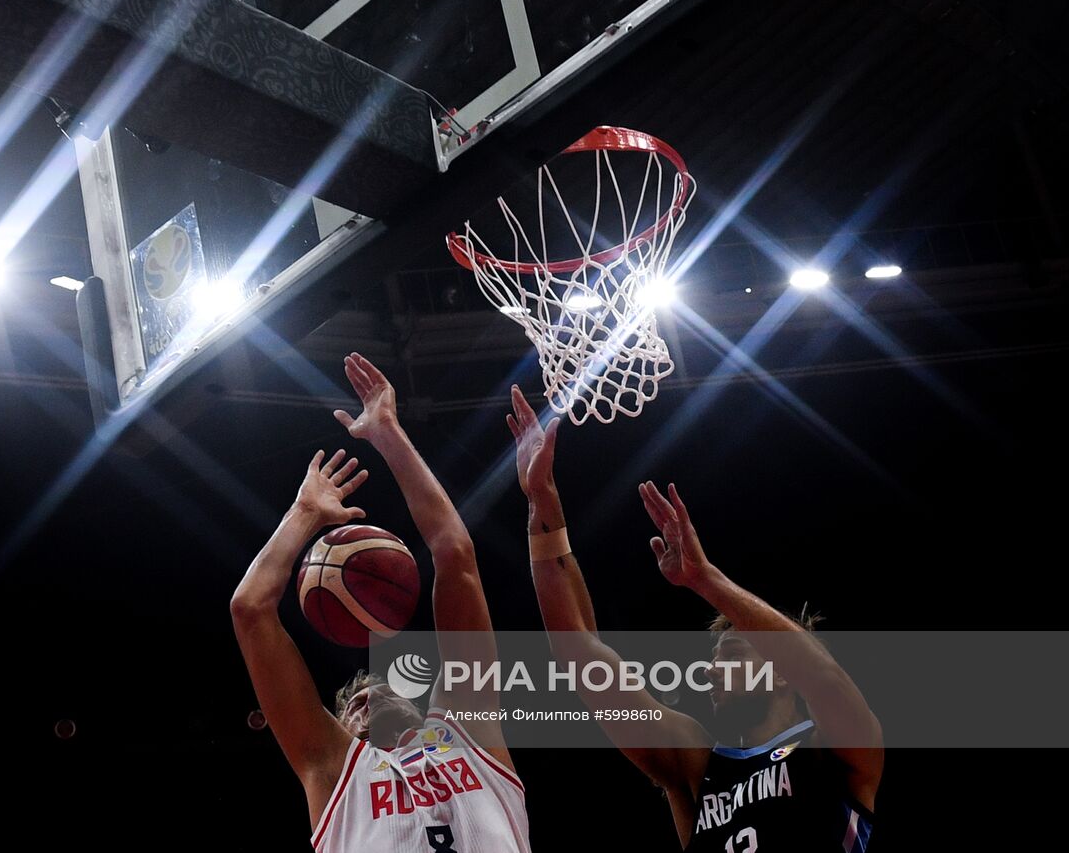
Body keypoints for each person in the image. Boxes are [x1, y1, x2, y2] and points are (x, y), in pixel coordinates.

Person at [506, 384, 881, 852]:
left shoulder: (839, 747)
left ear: (782, 674)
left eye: (733, 654)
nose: (709, 669)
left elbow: (821, 675)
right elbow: (580, 652)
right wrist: (543, 504)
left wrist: (706, 580)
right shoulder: (697, 763)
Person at [230, 353, 529, 852]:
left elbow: (455, 556)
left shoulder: (469, 736)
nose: (364, 699)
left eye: (375, 690)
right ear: (343, 732)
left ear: (420, 707)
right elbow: (250, 610)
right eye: (351, 706)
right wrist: (304, 513)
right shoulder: (332, 771)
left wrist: (388, 432)